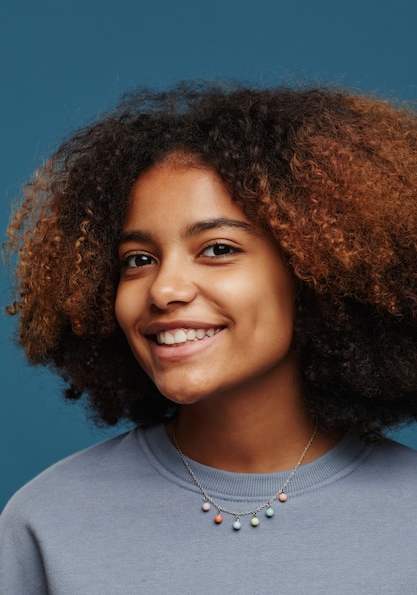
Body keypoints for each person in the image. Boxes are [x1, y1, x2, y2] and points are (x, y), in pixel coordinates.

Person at [1, 82, 417, 594]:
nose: (165, 288)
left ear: (315, 274)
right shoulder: (47, 522)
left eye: (217, 249)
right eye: (138, 260)